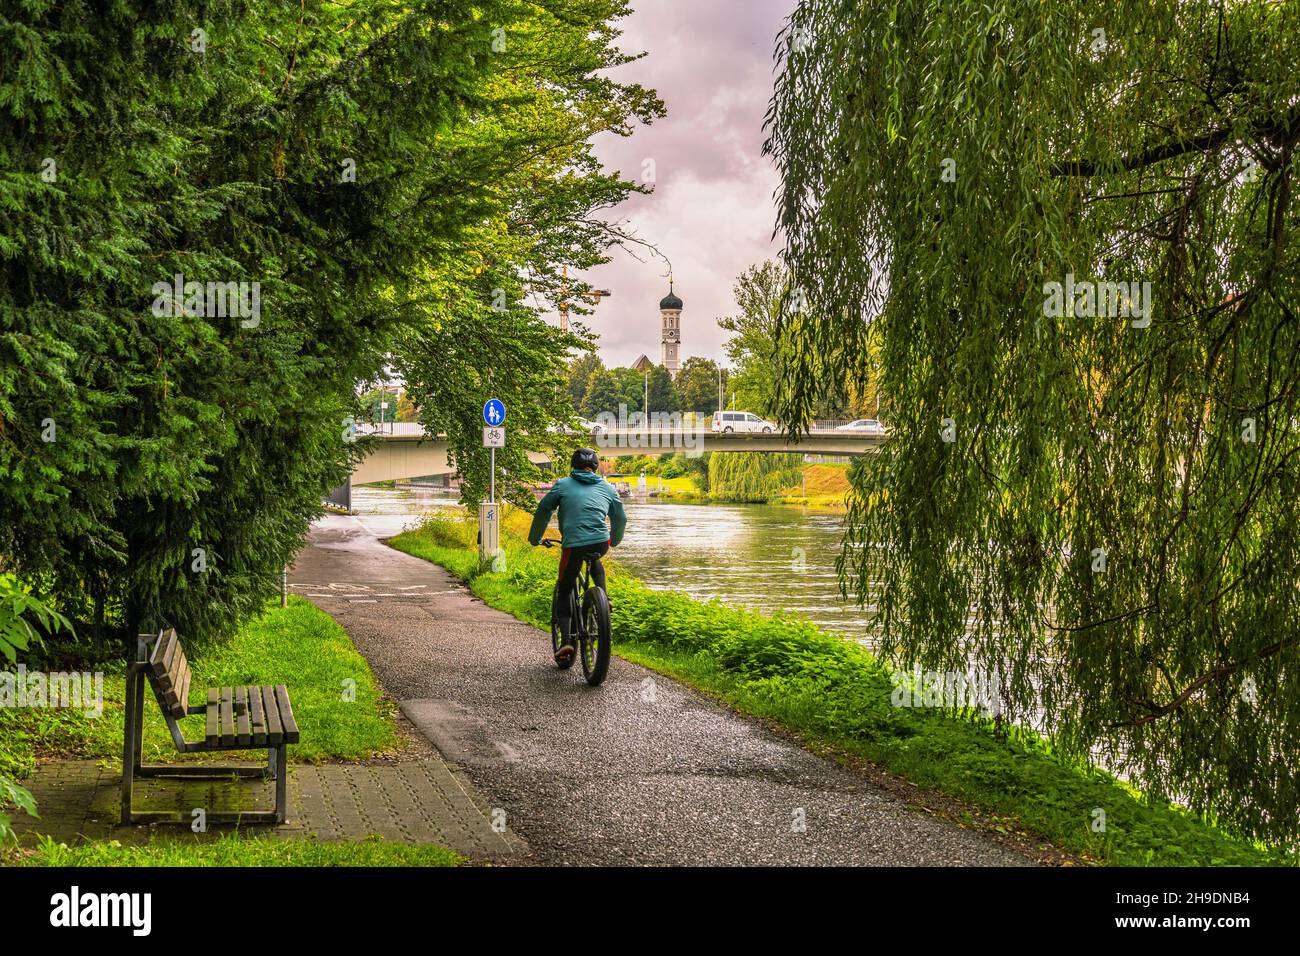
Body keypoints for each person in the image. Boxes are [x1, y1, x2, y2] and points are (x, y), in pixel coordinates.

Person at [528, 447, 626, 664]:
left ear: (573, 466)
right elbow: (620, 518)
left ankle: (566, 643)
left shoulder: (563, 485)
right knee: (595, 557)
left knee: (564, 588)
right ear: (595, 467)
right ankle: (603, 596)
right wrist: (614, 540)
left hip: (573, 545)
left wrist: (535, 539)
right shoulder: (608, 488)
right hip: (601, 542)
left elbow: (543, 511)